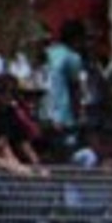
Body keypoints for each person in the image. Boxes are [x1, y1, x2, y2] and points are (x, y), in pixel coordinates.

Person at [41, 19, 88, 158]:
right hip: (63, 115)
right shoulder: (72, 57)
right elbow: (76, 89)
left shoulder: (49, 53)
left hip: (46, 113)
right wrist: (80, 115)